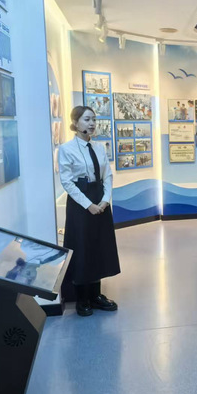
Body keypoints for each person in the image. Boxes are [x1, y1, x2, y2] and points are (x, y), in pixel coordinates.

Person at [59, 106, 121, 317]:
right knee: (82, 248)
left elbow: (107, 176)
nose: (92, 123)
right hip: (80, 203)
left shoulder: (99, 147)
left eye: (93, 119)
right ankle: (82, 298)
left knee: (99, 247)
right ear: (75, 123)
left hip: (100, 199)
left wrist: (104, 200)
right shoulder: (67, 149)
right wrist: (88, 205)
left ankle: (96, 295)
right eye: (87, 119)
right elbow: (67, 182)